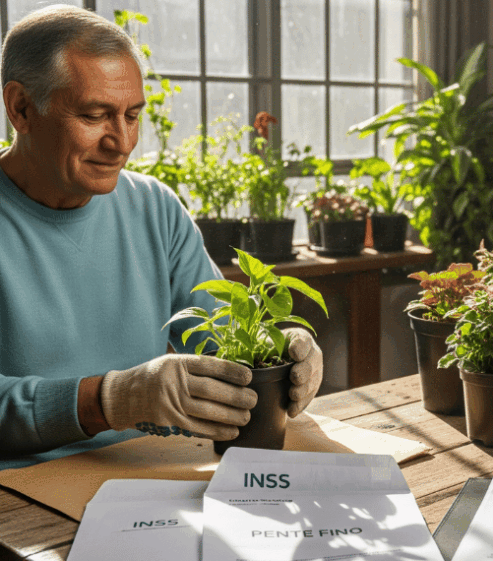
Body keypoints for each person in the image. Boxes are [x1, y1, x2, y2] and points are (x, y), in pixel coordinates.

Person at [0, 5, 323, 464]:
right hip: (19, 497)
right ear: (21, 108)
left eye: (132, 115)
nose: (123, 142)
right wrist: (109, 400)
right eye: (95, 116)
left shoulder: (154, 207)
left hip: (146, 468)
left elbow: (220, 335)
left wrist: (281, 350)